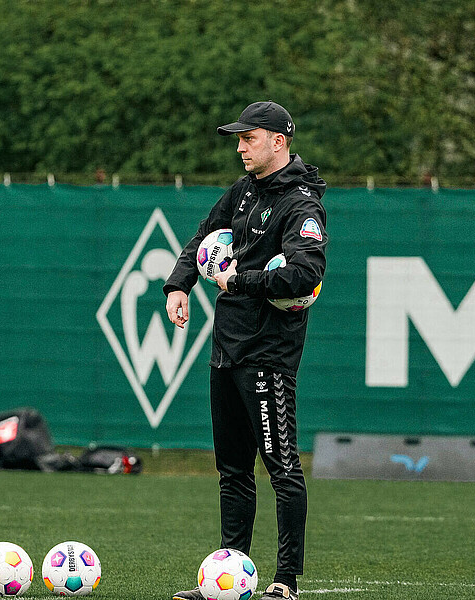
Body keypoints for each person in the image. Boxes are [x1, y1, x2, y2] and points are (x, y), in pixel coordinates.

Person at [164, 101, 328, 600]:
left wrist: (241, 279)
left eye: (248, 138)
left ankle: (285, 582)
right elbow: (202, 238)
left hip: (268, 356)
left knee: (282, 469)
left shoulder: (301, 206)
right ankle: (226, 581)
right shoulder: (241, 192)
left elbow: (306, 274)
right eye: (237, 139)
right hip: (225, 351)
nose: (239, 147)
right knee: (232, 471)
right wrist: (179, 285)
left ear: (278, 141)